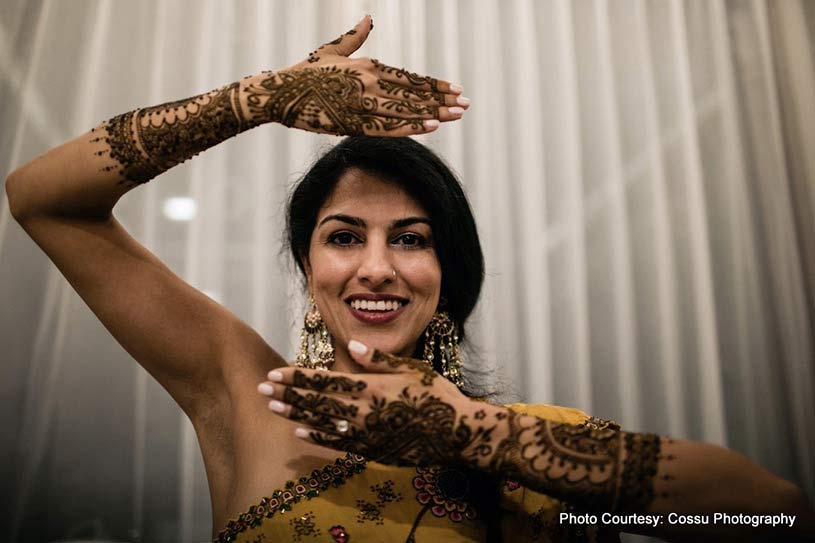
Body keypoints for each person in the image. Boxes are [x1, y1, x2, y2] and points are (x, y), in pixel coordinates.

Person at [5, 15, 812, 543]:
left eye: (411, 239)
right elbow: (43, 200)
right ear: (309, 266)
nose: (376, 265)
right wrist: (256, 98)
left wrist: (474, 435)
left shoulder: (533, 442)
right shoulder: (241, 393)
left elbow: (768, 514)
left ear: (447, 273)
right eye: (344, 236)